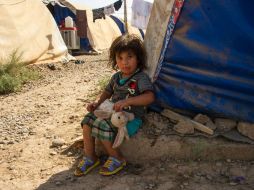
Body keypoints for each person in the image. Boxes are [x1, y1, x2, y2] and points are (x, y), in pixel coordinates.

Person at [74, 34, 155, 176]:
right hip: (113, 114)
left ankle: (117, 157)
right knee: (87, 121)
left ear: (138, 58)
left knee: (101, 125)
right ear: (115, 60)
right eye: (120, 58)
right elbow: (107, 92)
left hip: (130, 118)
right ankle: (90, 156)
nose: (125, 62)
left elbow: (149, 97)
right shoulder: (116, 77)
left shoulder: (140, 78)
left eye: (129, 57)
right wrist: (96, 103)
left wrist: (128, 101)